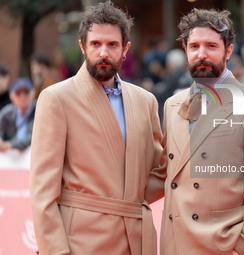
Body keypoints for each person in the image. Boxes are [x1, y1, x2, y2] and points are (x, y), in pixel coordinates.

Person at [30, 2, 162, 255]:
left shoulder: (145, 101)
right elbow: (42, 192)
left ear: (125, 50)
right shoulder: (57, 98)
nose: (103, 52)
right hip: (80, 242)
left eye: (112, 45)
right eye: (95, 44)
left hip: (137, 238)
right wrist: (56, 251)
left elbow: (157, 170)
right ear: (82, 46)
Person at [146, 8, 244, 255]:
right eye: (194, 46)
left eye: (211, 46)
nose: (202, 54)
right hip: (174, 245)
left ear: (228, 50)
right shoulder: (172, 105)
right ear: (185, 50)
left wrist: (243, 250)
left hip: (221, 247)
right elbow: (168, 172)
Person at [0, 77, 36, 151]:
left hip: (32, 154)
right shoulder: (7, 113)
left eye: (26, 92)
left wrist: (10, 144)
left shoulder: (39, 110)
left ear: (33, 93)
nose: (22, 97)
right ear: (12, 96)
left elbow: (35, 137)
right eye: (18, 93)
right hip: (10, 157)